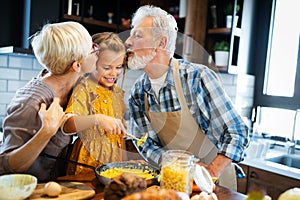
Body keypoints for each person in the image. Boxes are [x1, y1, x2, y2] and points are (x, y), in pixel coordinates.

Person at [125, 5, 250, 190]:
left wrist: (211, 172)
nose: (127, 42)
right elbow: (144, 143)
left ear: (161, 43)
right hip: (174, 182)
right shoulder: (137, 93)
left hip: (215, 184)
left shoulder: (196, 78)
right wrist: (177, 167)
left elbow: (237, 131)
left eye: (137, 35)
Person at [0, 21, 123, 181]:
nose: (97, 50)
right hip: (30, 191)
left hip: (58, 185)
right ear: (77, 65)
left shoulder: (75, 85)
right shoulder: (30, 102)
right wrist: (46, 132)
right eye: (92, 48)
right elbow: (6, 167)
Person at [61, 32, 127, 175]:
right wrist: (98, 119)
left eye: (118, 67)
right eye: (107, 67)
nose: (114, 73)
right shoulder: (84, 88)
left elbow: (120, 138)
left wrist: (124, 166)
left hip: (113, 163)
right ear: (92, 63)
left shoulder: (118, 94)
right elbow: (67, 125)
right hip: (86, 163)